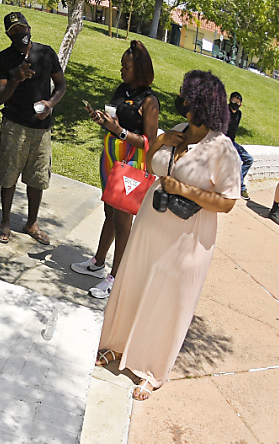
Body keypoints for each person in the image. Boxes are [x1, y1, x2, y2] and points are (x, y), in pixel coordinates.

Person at [96, 70, 241, 401]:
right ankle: (116, 347)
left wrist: (186, 191)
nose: (181, 101)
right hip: (151, 222)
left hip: (186, 236)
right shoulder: (178, 131)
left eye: (187, 98)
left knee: (168, 299)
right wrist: (160, 142)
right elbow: (151, 166)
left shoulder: (222, 149)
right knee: (133, 282)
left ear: (201, 105)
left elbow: (229, 202)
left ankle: (150, 369)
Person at [71, 41, 161, 299]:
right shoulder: (123, 89)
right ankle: (98, 263)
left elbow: (150, 142)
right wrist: (104, 120)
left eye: (126, 66)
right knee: (109, 211)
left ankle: (116, 278)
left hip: (132, 165)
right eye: (122, 65)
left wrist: (119, 131)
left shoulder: (150, 101)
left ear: (139, 69)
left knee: (123, 222)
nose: (122, 70)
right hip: (111, 160)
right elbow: (117, 120)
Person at [0, 12, 66, 244]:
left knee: (38, 177)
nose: (20, 33)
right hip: (14, 125)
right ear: (8, 34)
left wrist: (50, 104)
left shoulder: (45, 53)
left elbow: (61, 85)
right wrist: (15, 78)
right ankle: (5, 221)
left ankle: (32, 222)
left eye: (22, 28)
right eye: (14, 31)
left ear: (29, 28)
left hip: (41, 128)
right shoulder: (3, 59)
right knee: (8, 174)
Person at [226, 92, 253, 199]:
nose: (235, 103)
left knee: (249, 159)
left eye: (237, 102)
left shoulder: (239, 114)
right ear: (229, 100)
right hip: (223, 140)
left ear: (240, 104)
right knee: (236, 160)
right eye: (233, 100)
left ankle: (238, 182)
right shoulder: (224, 111)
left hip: (232, 142)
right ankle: (241, 188)